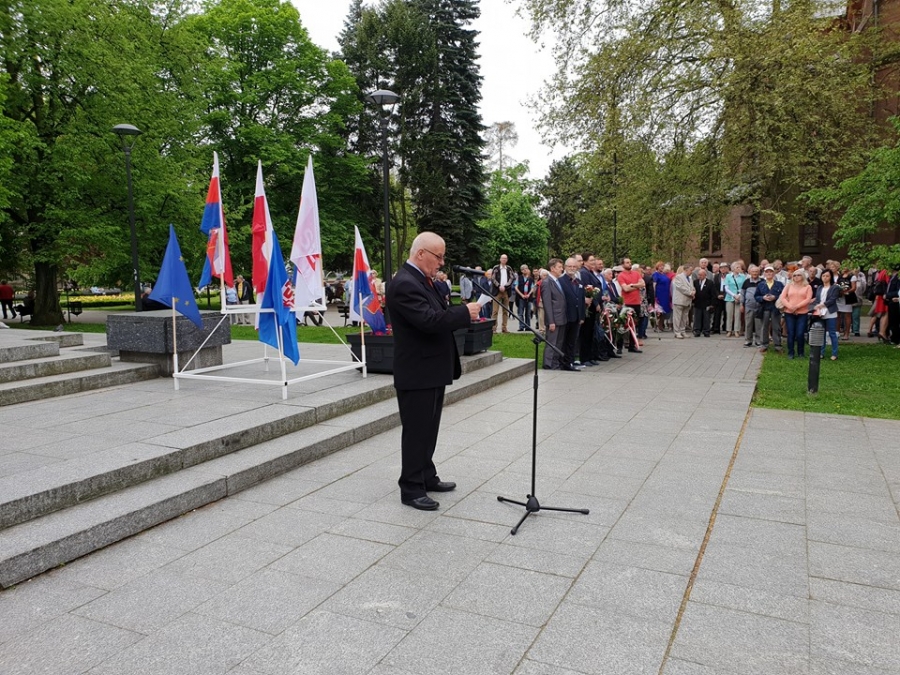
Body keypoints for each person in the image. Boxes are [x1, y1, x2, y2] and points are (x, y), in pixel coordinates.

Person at [387, 232, 480, 511]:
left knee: (428, 429)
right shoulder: (405, 283)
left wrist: (458, 311)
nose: (441, 263)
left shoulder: (422, 280)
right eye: (438, 257)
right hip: (417, 370)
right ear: (420, 254)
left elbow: (438, 313)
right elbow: (428, 321)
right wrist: (464, 313)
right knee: (417, 431)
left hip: (431, 368)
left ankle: (426, 476)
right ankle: (411, 488)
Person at [779, 269, 813, 359]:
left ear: (803, 276)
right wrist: (790, 307)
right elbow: (782, 298)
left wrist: (797, 307)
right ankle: (791, 352)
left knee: (800, 333)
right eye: (794, 275)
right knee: (791, 333)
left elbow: (808, 299)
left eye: (798, 275)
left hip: (802, 313)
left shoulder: (808, 287)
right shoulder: (788, 286)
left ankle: (801, 353)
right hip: (789, 312)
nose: (796, 277)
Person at [541, 258, 567, 370]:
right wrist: (551, 321)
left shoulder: (557, 281)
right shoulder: (547, 282)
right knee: (552, 342)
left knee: (559, 342)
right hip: (554, 319)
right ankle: (548, 364)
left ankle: (555, 363)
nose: (562, 269)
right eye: (559, 267)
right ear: (552, 268)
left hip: (561, 317)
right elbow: (547, 303)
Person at [560, 257, 585, 369]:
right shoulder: (561, 281)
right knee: (564, 341)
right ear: (565, 267)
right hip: (566, 316)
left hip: (576, 316)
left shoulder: (579, 282)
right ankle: (565, 362)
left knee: (572, 341)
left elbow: (581, 299)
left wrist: (582, 316)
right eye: (570, 266)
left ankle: (571, 360)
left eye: (574, 266)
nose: (572, 268)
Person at [617, 258, 644, 352]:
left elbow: (643, 284)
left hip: (636, 302)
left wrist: (632, 285)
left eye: (630, 262)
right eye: (627, 262)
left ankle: (632, 346)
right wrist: (637, 286)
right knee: (623, 325)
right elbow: (625, 289)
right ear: (623, 264)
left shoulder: (636, 273)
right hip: (627, 303)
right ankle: (619, 347)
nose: (630, 264)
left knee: (634, 324)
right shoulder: (621, 275)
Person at [755, 266, 784, 354]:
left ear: (773, 273)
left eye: (770, 272)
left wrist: (775, 297)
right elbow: (756, 296)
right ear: (764, 273)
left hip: (775, 308)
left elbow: (783, 295)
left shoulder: (779, 284)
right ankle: (764, 345)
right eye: (767, 272)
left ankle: (778, 345)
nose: (769, 273)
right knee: (764, 327)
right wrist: (763, 298)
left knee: (776, 327)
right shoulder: (760, 284)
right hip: (764, 308)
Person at [814, 268, 841, 360]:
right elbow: (817, 299)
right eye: (823, 276)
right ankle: (821, 352)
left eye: (827, 276)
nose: (825, 278)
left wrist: (822, 305)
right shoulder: (819, 287)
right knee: (822, 333)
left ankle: (834, 353)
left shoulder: (834, 287)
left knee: (832, 333)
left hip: (830, 312)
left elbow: (832, 299)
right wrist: (818, 308)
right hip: (820, 313)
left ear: (830, 277)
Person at [490, 254, 516, 333]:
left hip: (506, 291)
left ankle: (504, 327)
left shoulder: (509, 268)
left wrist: (505, 286)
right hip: (497, 291)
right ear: (500, 259)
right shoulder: (496, 268)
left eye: (505, 258)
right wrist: (498, 286)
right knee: (495, 311)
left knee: (505, 310)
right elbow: (493, 278)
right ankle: (494, 328)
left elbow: (512, 278)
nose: (504, 260)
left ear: (507, 260)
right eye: (502, 258)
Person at [741, 265, 762, 347]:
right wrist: (742, 304)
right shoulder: (746, 282)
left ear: (759, 272)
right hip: (749, 306)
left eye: (756, 271)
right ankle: (748, 340)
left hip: (759, 306)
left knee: (759, 324)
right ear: (750, 272)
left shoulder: (763, 281)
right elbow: (742, 294)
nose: (755, 273)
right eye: (753, 271)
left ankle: (758, 341)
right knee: (748, 324)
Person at [723, 262, 746, 337]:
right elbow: (726, 288)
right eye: (737, 267)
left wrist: (738, 295)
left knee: (737, 315)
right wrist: (734, 295)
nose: (739, 268)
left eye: (740, 267)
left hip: (739, 297)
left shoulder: (743, 276)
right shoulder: (728, 276)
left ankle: (736, 330)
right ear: (733, 269)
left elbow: (743, 287)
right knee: (729, 314)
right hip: (729, 297)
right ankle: (729, 330)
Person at [672, 265, 695, 339]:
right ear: (686, 270)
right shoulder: (678, 277)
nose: (691, 272)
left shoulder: (690, 278)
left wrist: (693, 291)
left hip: (687, 301)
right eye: (690, 270)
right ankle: (677, 332)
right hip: (679, 300)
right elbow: (681, 287)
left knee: (684, 317)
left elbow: (692, 287)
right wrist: (690, 293)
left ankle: (682, 331)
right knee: (677, 317)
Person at [693, 268, 716, 337]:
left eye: (701, 275)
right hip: (698, 303)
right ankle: (697, 331)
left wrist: (712, 304)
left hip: (707, 303)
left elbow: (713, 294)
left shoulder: (710, 283)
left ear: (705, 275)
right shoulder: (695, 282)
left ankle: (706, 331)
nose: (699, 276)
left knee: (706, 318)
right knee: (697, 317)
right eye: (699, 275)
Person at [652, 262, 672, 331]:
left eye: (663, 266)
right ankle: (657, 325)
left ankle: (661, 325)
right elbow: (654, 285)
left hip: (666, 294)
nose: (662, 267)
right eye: (660, 266)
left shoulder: (664, 274)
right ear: (657, 267)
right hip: (659, 294)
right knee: (659, 310)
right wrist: (654, 295)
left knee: (664, 310)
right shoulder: (655, 274)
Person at [514, 265, 535, 330]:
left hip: (529, 298)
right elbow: (516, 287)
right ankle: (521, 326)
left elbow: (532, 288)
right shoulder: (519, 278)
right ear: (521, 271)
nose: (525, 270)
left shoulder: (531, 278)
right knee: (520, 313)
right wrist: (521, 295)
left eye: (526, 268)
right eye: (523, 269)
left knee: (528, 313)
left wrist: (529, 294)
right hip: (520, 298)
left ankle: (527, 326)